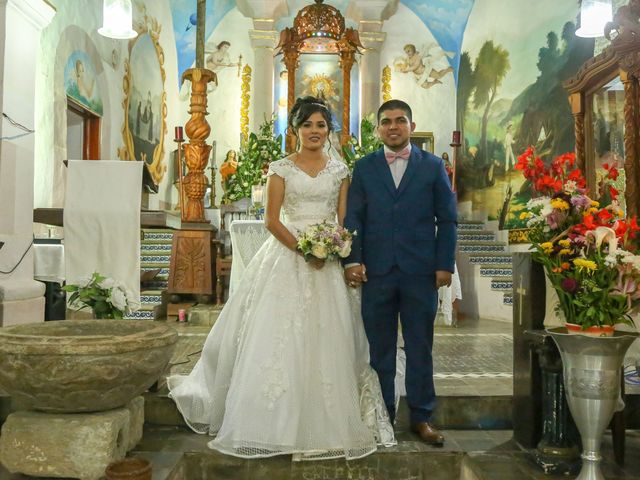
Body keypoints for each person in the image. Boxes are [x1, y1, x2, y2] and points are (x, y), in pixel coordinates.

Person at [168, 96, 395, 460]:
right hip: (287, 257)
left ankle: (325, 421)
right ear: (295, 130)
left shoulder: (340, 171)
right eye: (307, 125)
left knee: (328, 336)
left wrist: (335, 247)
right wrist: (304, 249)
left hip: (328, 264)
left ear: (329, 130)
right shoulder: (280, 169)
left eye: (321, 125)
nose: (314, 131)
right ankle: (270, 422)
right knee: (278, 336)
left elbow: (342, 220)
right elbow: (273, 220)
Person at [343, 99, 457, 446]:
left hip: (420, 272)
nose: (393, 126)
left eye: (400, 121)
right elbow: (354, 218)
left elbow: (448, 219)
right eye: (386, 122)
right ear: (378, 128)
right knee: (380, 350)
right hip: (375, 272)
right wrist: (352, 260)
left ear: (410, 125)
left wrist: (443, 264)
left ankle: (422, 417)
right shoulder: (363, 168)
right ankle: (384, 416)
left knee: (421, 347)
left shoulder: (433, 166)